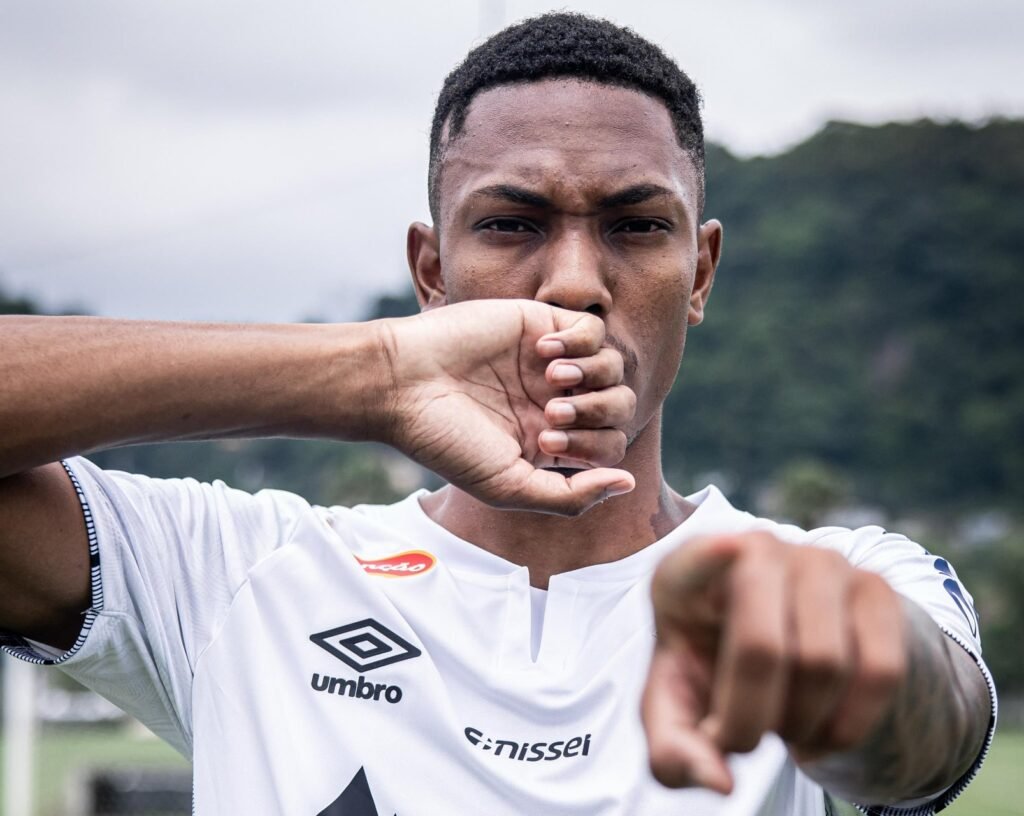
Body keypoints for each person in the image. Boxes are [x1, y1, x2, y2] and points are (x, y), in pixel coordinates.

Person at [0, 12, 995, 815]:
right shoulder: (236, 577)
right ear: (431, 271)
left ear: (699, 273)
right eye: (512, 223)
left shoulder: (836, 576)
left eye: (636, 226)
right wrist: (375, 374)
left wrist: (854, 669)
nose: (574, 284)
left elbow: (929, 743)